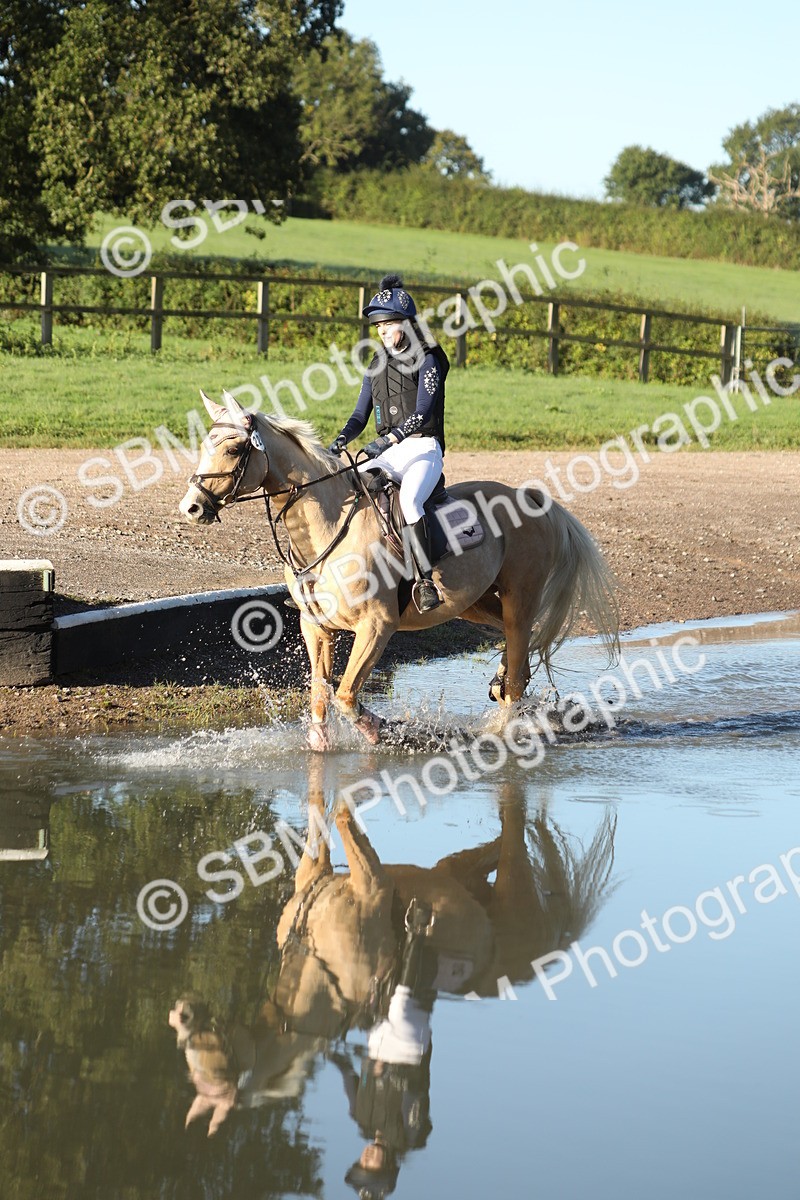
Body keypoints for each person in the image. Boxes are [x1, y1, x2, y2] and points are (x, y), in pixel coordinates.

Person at [329, 274, 450, 613]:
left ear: (407, 324)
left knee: (410, 501)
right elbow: (359, 415)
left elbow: (423, 411)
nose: (382, 332)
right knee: (347, 489)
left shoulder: (428, 359)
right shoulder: (376, 364)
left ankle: (424, 581)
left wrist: (387, 441)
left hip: (423, 448)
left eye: (388, 325)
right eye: (378, 327)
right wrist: (340, 439)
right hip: (390, 452)